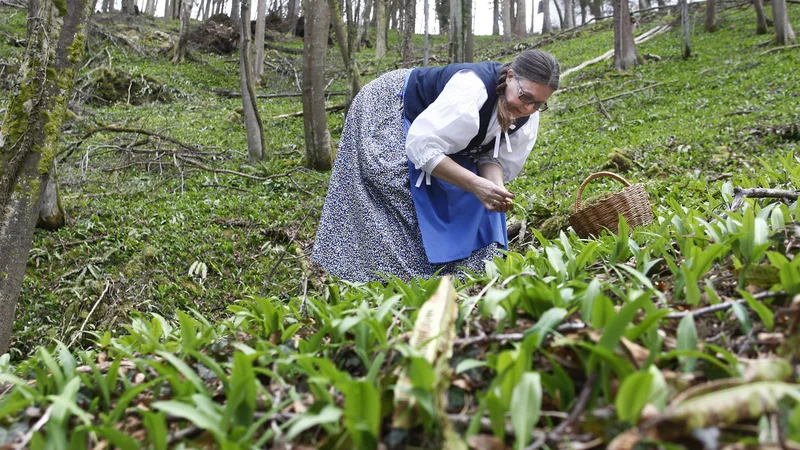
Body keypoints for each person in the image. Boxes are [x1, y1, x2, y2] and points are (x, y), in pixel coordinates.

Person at [312, 49, 560, 282]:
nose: (528, 108)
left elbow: (491, 158)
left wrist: (493, 187)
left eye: (538, 103)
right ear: (510, 77)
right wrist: (475, 184)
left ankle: (454, 278)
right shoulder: (471, 89)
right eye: (525, 97)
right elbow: (422, 147)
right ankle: (386, 279)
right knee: (394, 183)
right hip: (389, 105)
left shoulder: (528, 115)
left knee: (471, 199)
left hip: (431, 133)